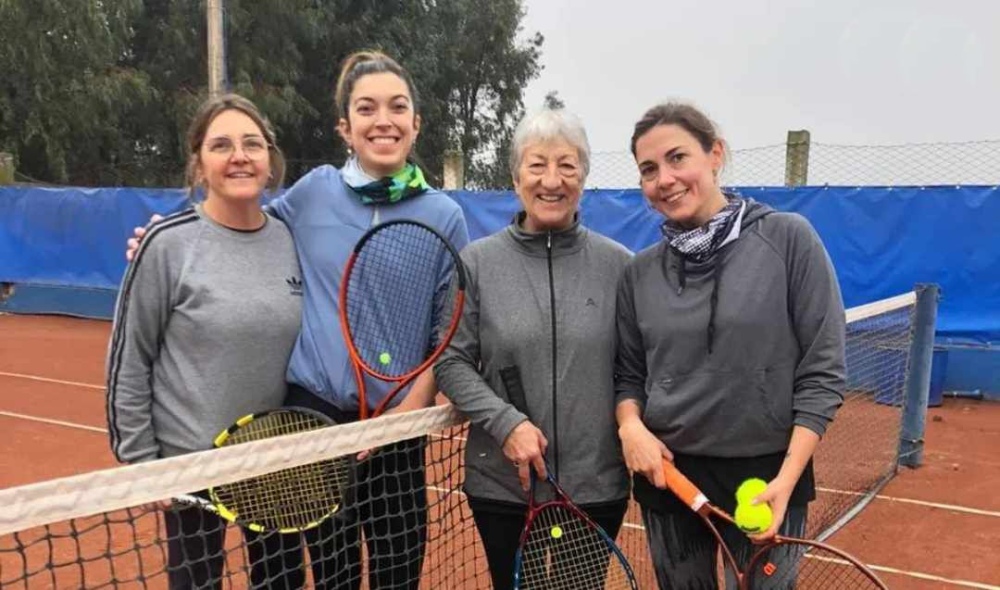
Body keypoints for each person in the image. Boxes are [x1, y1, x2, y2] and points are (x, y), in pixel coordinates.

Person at [126, 51, 469, 590]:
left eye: (397, 107)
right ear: (345, 128)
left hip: (398, 427)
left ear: (416, 123)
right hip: (312, 422)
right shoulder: (312, 193)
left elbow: (444, 337)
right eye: (366, 108)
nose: (384, 119)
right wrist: (164, 231)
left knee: (397, 574)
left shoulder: (445, 216)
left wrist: (406, 412)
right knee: (331, 575)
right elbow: (241, 226)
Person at [614, 102, 846, 588]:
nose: (665, 179)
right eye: (649, 170)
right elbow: (629, 375)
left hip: (767, 476)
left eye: (678, 158)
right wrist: (630, 425)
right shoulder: (638, 273)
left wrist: (787, 480)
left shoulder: (788, 239)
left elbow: (822, 370)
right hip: (670, 478)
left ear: (715, 154)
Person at [107, 93, 303, 589]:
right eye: (221, 145)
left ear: (270, 159)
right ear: (199, 162)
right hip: (189, 467)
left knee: (281, 582)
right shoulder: (166, 244)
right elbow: (130, 360)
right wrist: (142, 465)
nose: (239, 155)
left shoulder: (290, 239)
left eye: (251, 144)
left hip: (271, 463)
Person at [434, 107, 632, 589]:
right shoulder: (477, 263)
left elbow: (634, 369)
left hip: (595, 487)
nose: (552, 180)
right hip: (502, 487)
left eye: (567, 165)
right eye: (537, 164)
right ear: (516, 175)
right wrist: (507, 424)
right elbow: (451, 360)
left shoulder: (620, 267)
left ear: (584, 176)